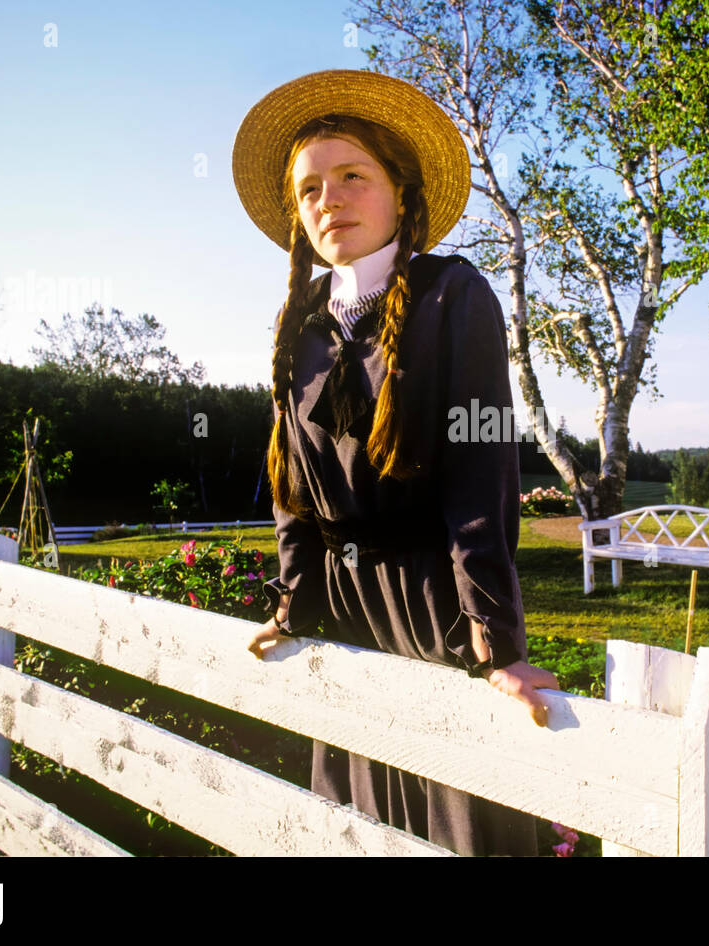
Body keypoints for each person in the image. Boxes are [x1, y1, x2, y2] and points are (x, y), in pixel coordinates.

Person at [232, 69, 559, 855]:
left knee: (458, 824)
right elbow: (293, 491)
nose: (329, 199)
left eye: (352, 177)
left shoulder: (455, 296)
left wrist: (494, 635)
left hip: (431, 605)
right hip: (342, 619)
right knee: (353, 826)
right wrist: (295, 602)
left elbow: (482, 470)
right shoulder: (297, 324)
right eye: (310, 188)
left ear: (400, 195)